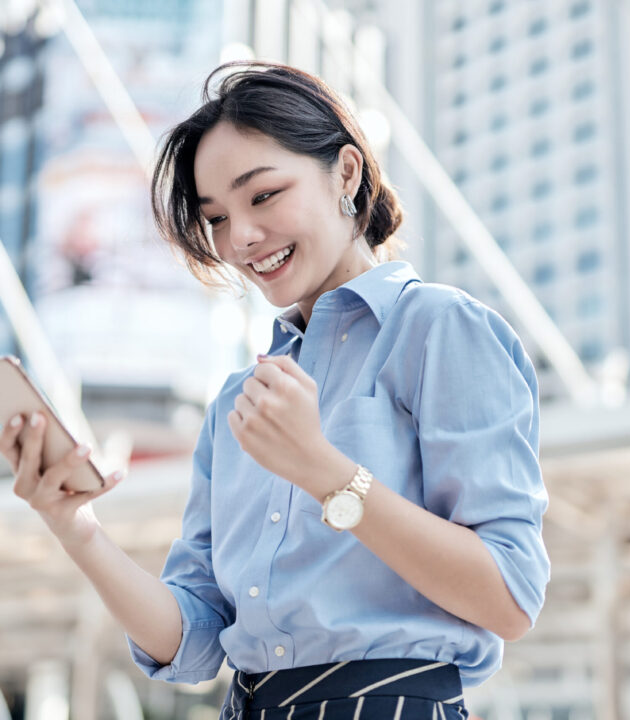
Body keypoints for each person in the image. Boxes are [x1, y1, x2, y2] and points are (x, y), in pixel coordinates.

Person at [1, 60, 550, 719]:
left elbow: (511, 598)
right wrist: (76, 525)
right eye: (217, 218)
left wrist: (325, 473)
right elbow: (197, 644)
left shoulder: (437, 329)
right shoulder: (239, 401)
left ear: (346, 173)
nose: (241, 240)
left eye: (262, 196)